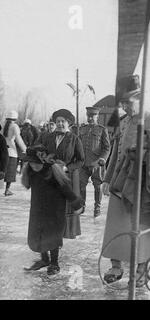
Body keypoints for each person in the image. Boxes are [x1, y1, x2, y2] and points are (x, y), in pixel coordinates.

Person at [101, 77, 150, 287]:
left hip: (142, 181)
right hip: (119, 181)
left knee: (140, 225)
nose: (125, 106)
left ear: (141, 98)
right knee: (115, 223)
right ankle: (116, 265)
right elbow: (115, 152)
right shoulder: (122, 122)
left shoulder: (148, 119)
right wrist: (107, 179)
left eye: (129, 102)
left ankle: (141, 269)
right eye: (123, 102)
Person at [22, 145, 84, 275]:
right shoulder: (31, 171)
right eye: (30, 162)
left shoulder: (53, 172)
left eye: (35, 162)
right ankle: (44, 259)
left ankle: (54, 263)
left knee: (52, 236)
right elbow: (28, 184)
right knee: (39, 233)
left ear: (43, 161)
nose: (33, 165)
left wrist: (77, 204)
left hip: (54, 211)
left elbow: (67, 190)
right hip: (38, 209)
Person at [40, 109, 85, 242]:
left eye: (63, 121)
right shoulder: (48, 137)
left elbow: (81, 160)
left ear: (68, 123)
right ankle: (52, 230)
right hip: (50, 176)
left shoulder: (74, 139)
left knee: (65, 204)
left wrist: (67, 167)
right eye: (58, 121)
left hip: (68, 177)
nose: (60, 124)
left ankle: (65, 231)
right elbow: (42, 151)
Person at [78, 106, 110, 217]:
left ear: (97, 116)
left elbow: (107, 147)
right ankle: (82, 206)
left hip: (97, 163)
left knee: (97, 186)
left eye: (92, 116)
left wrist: (103, 158)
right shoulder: (82, 129)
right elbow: (78, 145)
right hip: (83, 163)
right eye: (88, 116)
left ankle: (97, 207)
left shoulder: (102, 129)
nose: (90, 118)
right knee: (81, 185)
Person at [3, 110, 27, 196]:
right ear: (15, 118)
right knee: (10, 171)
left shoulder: (4, 125)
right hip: (12, 151)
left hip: (3, 149)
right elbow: (18, 138)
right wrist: (25, 149)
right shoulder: (14, 126)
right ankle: (7, 189)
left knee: (2, 170)